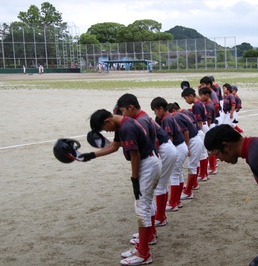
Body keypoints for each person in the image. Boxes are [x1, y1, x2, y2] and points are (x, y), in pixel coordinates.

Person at [80, 109, 162, 265]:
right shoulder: (122, 124)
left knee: (141, 207)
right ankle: (147, 240)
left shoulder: (126, 127)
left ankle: (144, 254)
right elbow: (114, 146)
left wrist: (134, 178)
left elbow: (135, 155)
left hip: (147, 164)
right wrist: (91, 155)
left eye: (105, 129)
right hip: (150, 161)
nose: (107, 131)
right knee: (145, 204)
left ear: (107, 121)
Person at [116, 93, 177, 228]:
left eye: (123, 111)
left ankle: (159, 219)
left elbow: (148, 142)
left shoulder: (140, 120)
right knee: (160, 186)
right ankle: (160, 218)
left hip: (164, 149)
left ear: (130, 107)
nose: (123, 115)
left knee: (154, 191)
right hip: (166, 148)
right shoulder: (141, 116)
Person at [151, 97, 188, 212]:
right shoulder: (169, 117)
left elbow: (169, 138)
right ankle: (177, 201)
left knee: (174, 176)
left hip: (177, 147)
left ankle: (172, 203)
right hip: (181, 146)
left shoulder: (166, 119)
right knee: (178, 173)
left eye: (155, 110)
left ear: (161, 109)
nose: (155, 113)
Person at [181, 88, 209, 182]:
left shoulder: (196, 105)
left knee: (201, 154)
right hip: (205, 126)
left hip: (201, 128)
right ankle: (204, 174)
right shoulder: (199, 102)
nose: (186, 101)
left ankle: (202, 175)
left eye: (186, 98)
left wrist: (198, 131)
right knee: (203, 153)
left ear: (191, 96)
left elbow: (199, 121)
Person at [199, 87, 218, 175]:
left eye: (201, 95)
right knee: (210, 148)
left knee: (209, 149)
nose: (200, 96)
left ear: (207, 95)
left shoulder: (208, 105)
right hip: (211, 125)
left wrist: (207, 129)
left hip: (210, 126)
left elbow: (209, 119)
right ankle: (212, 166)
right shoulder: (209, 103)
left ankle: (213, 167)